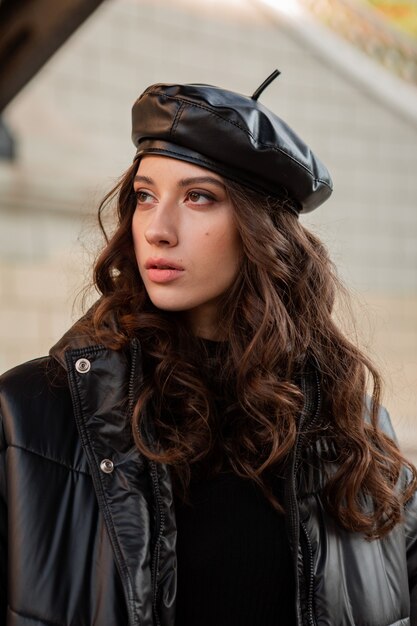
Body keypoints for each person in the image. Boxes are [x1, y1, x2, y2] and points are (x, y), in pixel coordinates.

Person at [0, 70, 416, 626]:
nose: (157, 229)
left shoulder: (356, 437)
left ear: (263, 231)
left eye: (199, 197)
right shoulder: (26, 416)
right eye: (146, 197)